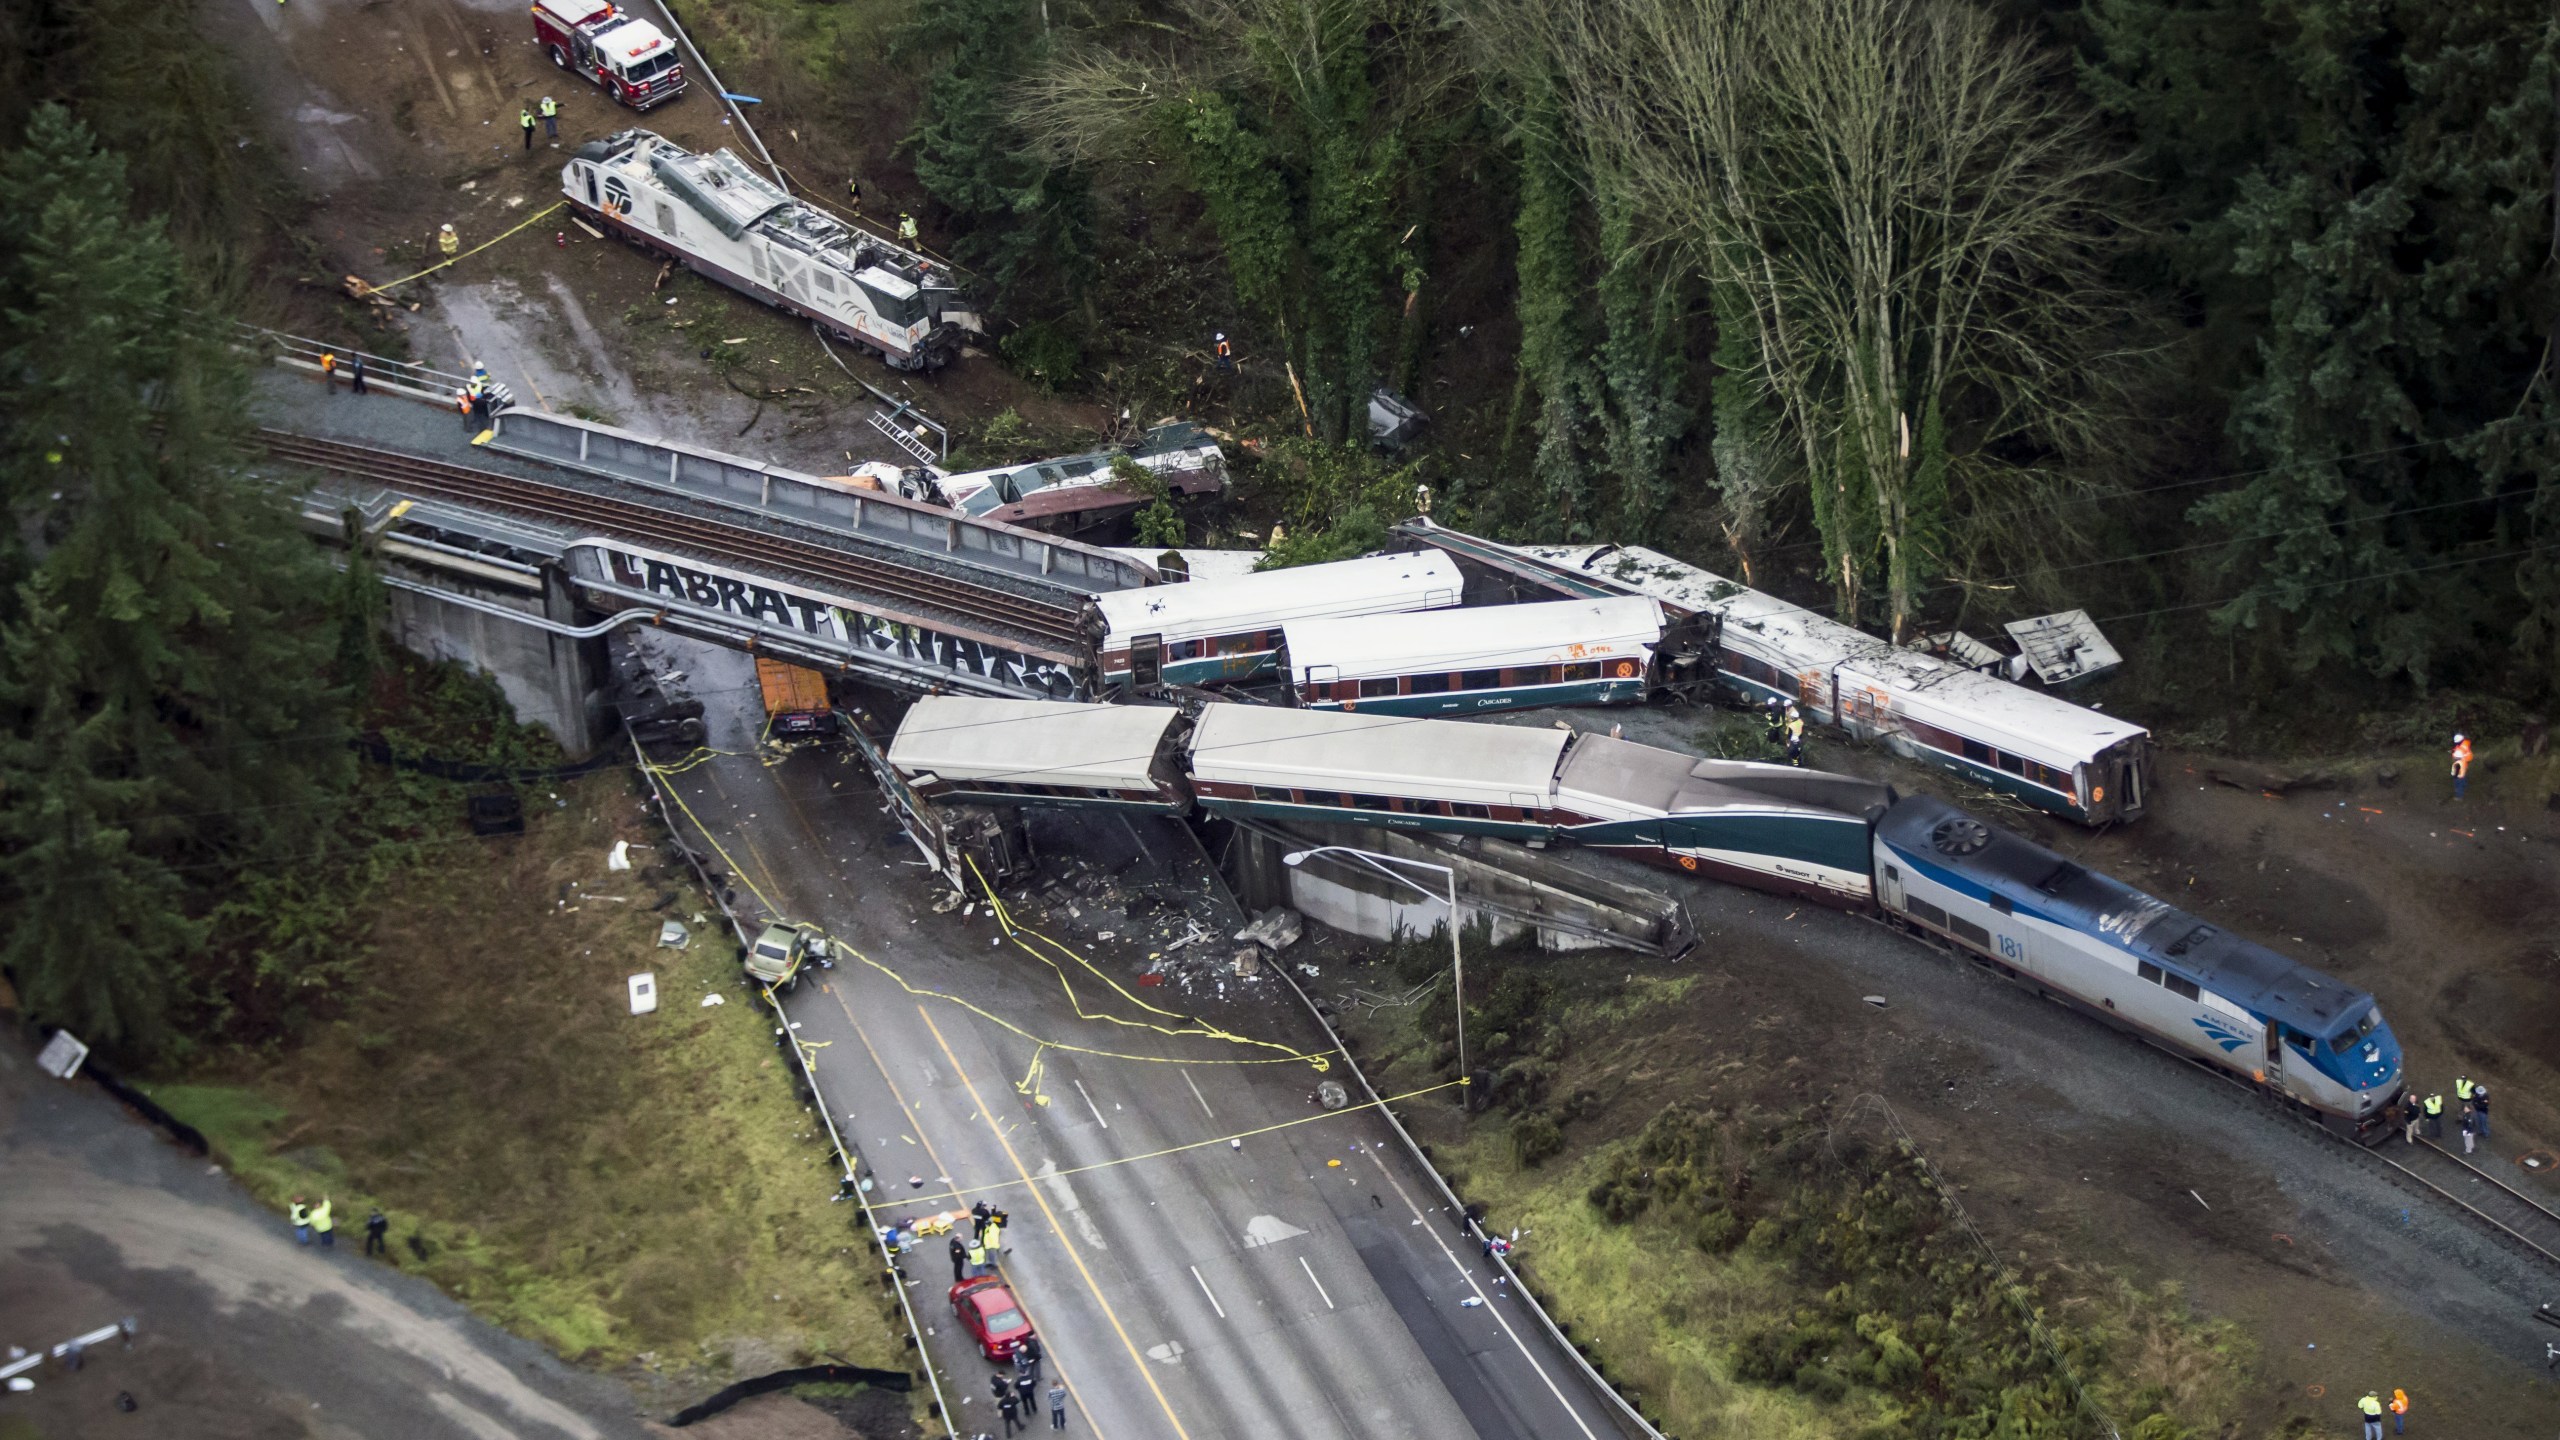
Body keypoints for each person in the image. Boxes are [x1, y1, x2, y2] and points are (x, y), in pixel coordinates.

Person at [2450, 733, 2472, 799]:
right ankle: (2465, 785)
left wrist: (2454, 775)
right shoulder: (2464, 745)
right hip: (2463, 765)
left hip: (2460, 768)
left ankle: (2459, 796)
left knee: (2458, 782)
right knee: (2462, 777)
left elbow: (2456, 771)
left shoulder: (2461, 749)